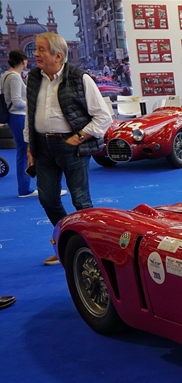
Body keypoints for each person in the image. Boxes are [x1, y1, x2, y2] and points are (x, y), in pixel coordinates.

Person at [24, 32, 113, 266]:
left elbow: (104, 117)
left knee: (81, 201)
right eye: (36, 49)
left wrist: (80, 136)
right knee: (47, 199)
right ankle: (66, 244)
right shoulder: (33, 78)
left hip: (72, 146)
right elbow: (30, 114)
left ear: (58, 55)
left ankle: (91, 250)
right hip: (43, 147)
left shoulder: (80, 78)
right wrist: (30, 145)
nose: (35, 54)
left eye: (41, 50)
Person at [2, 50, 34, 197]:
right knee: (30, 151)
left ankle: (24, 188)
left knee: (22, 152)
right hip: (18, 116)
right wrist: (32, 105)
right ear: (23, 61)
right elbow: (16, 101)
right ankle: (42, 187)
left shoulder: (6, 75)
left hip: (13, 117)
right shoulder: (14, 77)